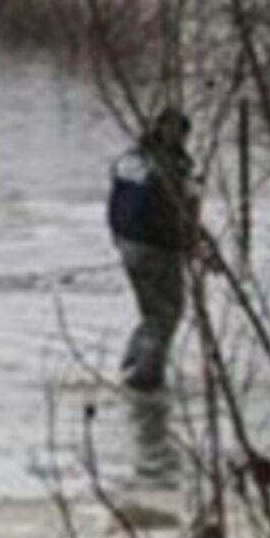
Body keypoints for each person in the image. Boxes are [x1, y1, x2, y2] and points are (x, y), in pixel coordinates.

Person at [108, 108, 199, 392]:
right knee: (166, 313)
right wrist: (189, 245)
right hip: (156, 246)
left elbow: (117, 200)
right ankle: (145, 379)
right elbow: (178, 211)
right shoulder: (172, 167)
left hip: (127, 242)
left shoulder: (130, 159)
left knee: (152, 311)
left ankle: (134, 361)